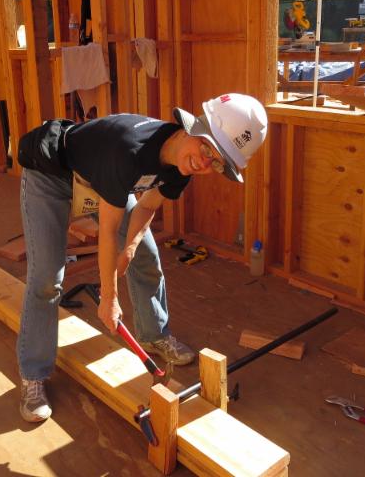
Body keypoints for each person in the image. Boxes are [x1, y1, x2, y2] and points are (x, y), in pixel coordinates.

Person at [15, 93, 268, 422]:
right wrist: (109, 298)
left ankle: (154, 335)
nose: (205, 164)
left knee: (146, 255)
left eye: (217, 162)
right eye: (207, 150)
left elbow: (147, 206)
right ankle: (33, 375)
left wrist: (132, 247)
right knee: (48, 278)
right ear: (193, 127)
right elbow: (107, 232)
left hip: (98, 178)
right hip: (50, 173)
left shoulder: (182, 165)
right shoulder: (128, 149)